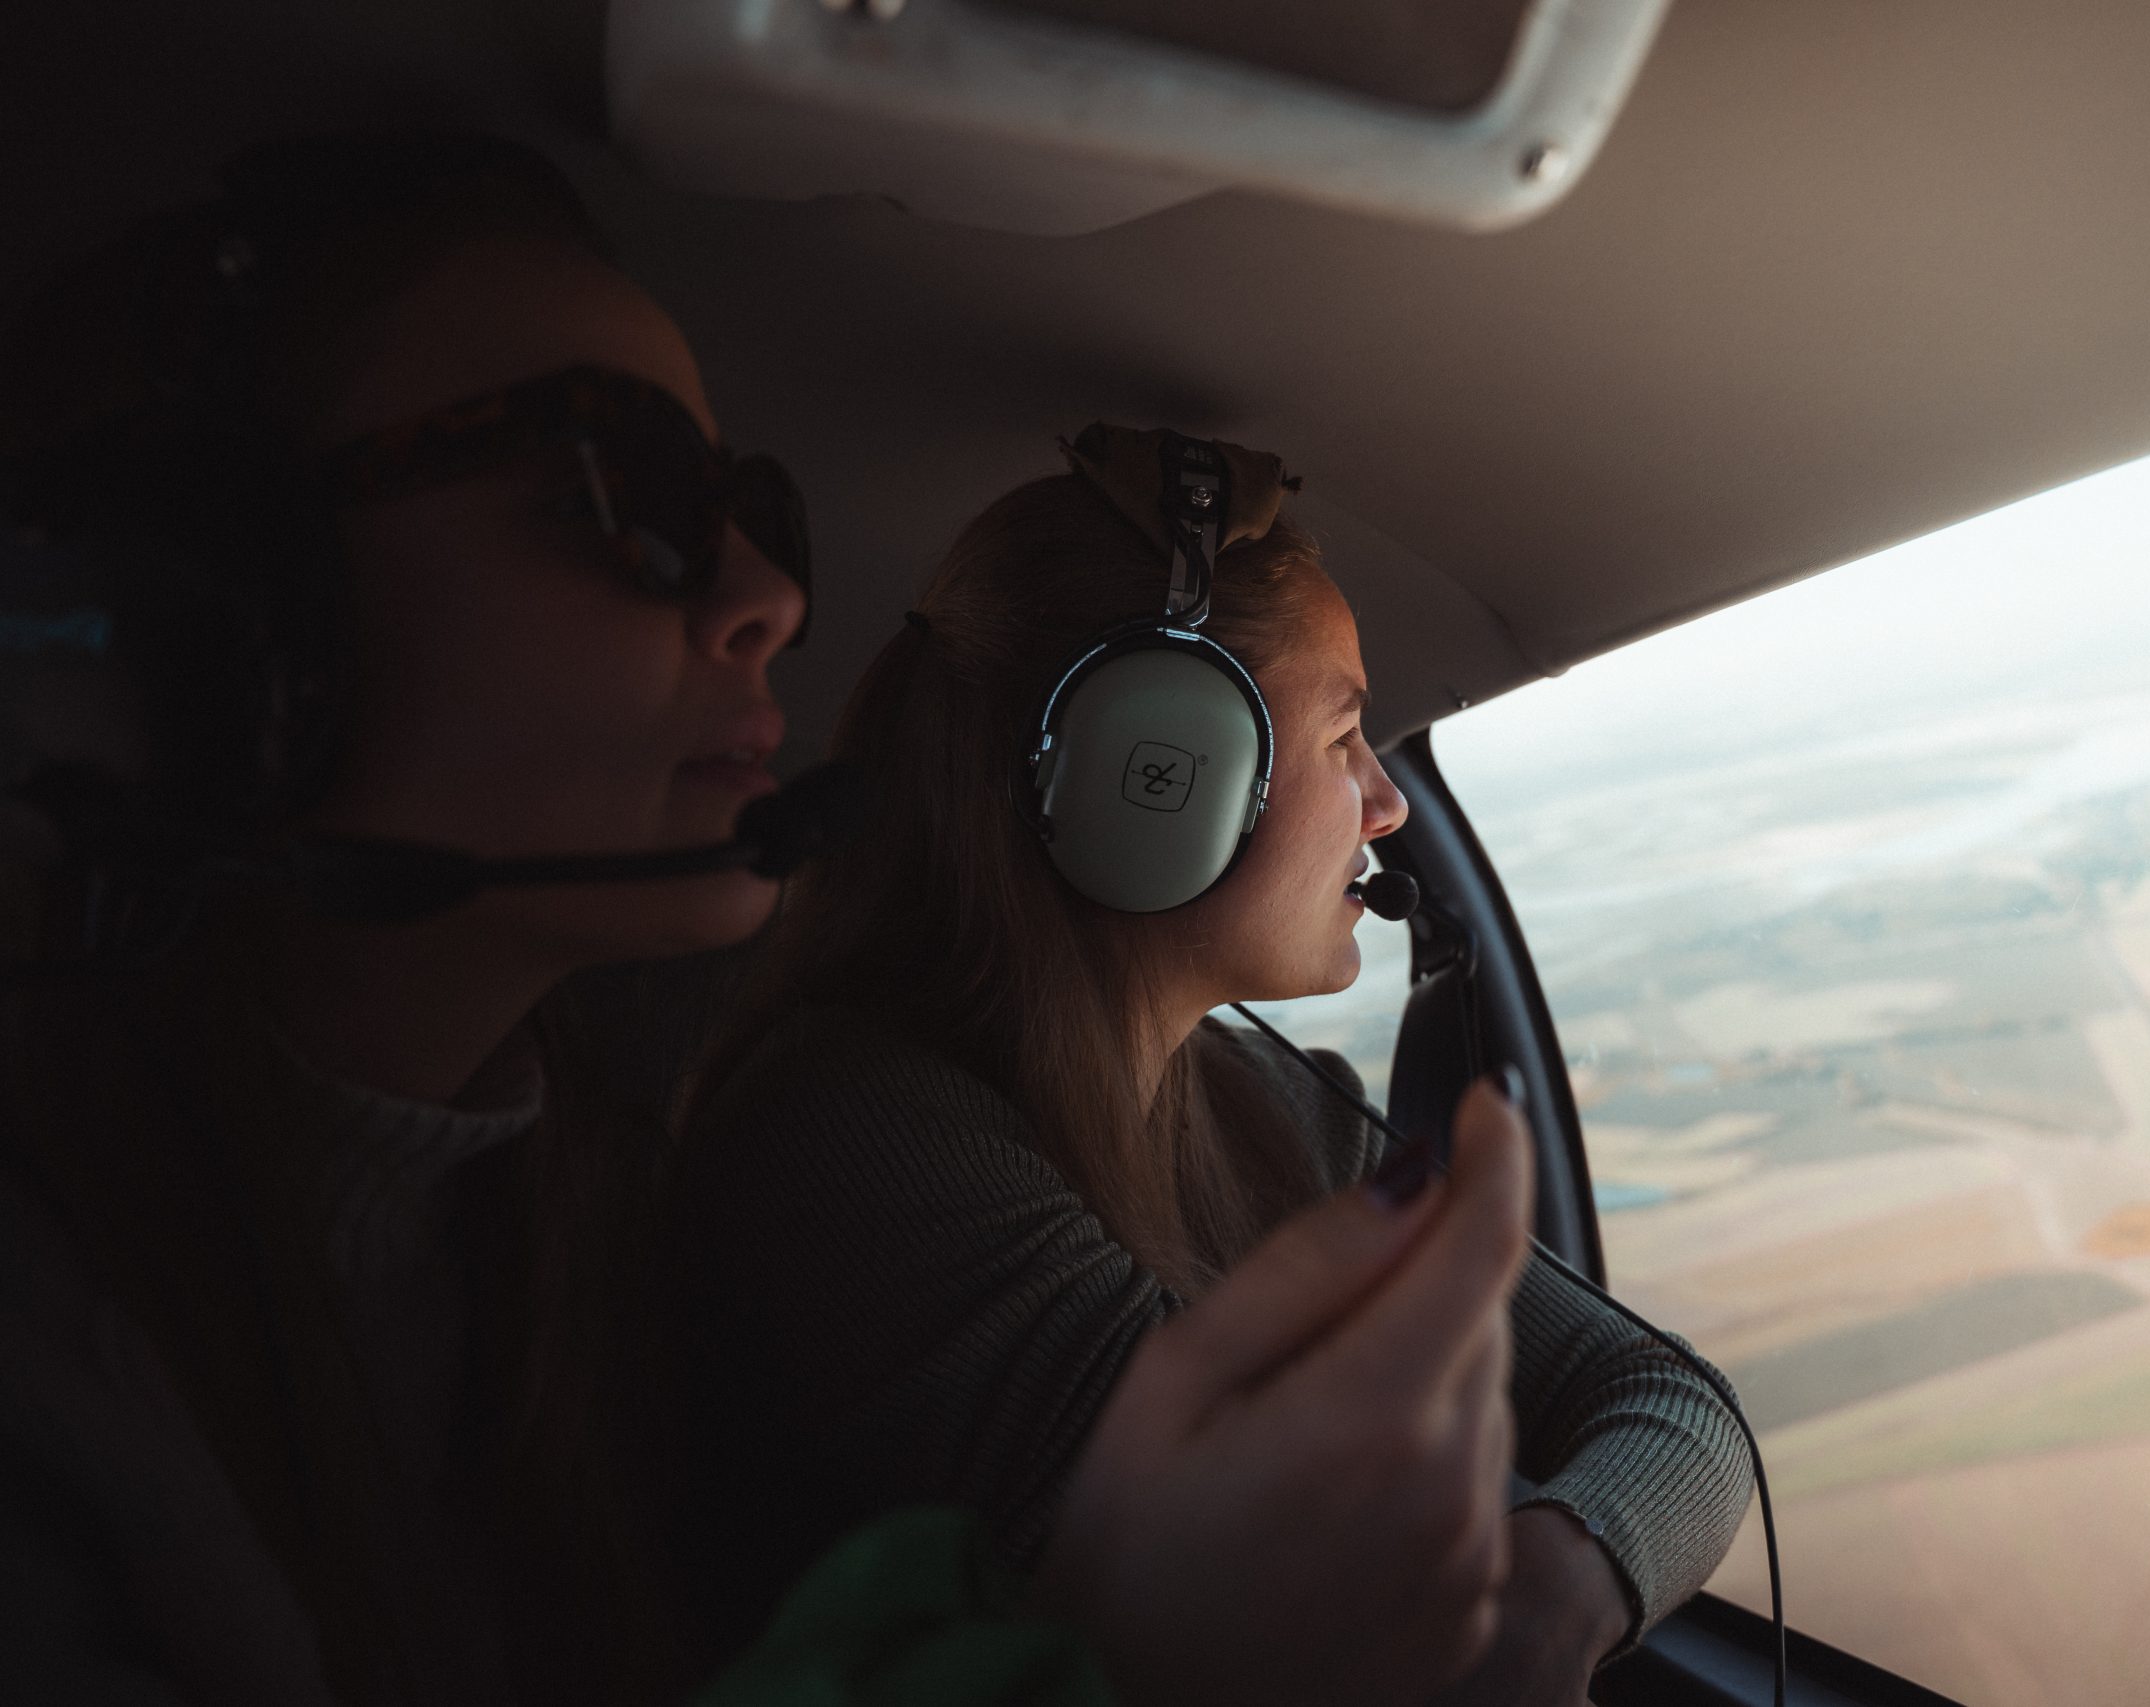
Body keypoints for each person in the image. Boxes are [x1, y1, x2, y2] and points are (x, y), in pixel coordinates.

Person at [0, 130, 1537, 1707]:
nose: (771, 596)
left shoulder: (552, 1226)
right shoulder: (53, 1389)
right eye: (625, 491)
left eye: (747, 508)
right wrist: (1123, 1654)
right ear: (201, 622)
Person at [676, 444, 1758, 1705]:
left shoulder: (1254, 1099)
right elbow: (1302, 1613)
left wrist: (1551, 1595)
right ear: (1163, 775)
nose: (1386, 801)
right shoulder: (859, 1141)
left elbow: (1673, 1402)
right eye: (1347, 732)